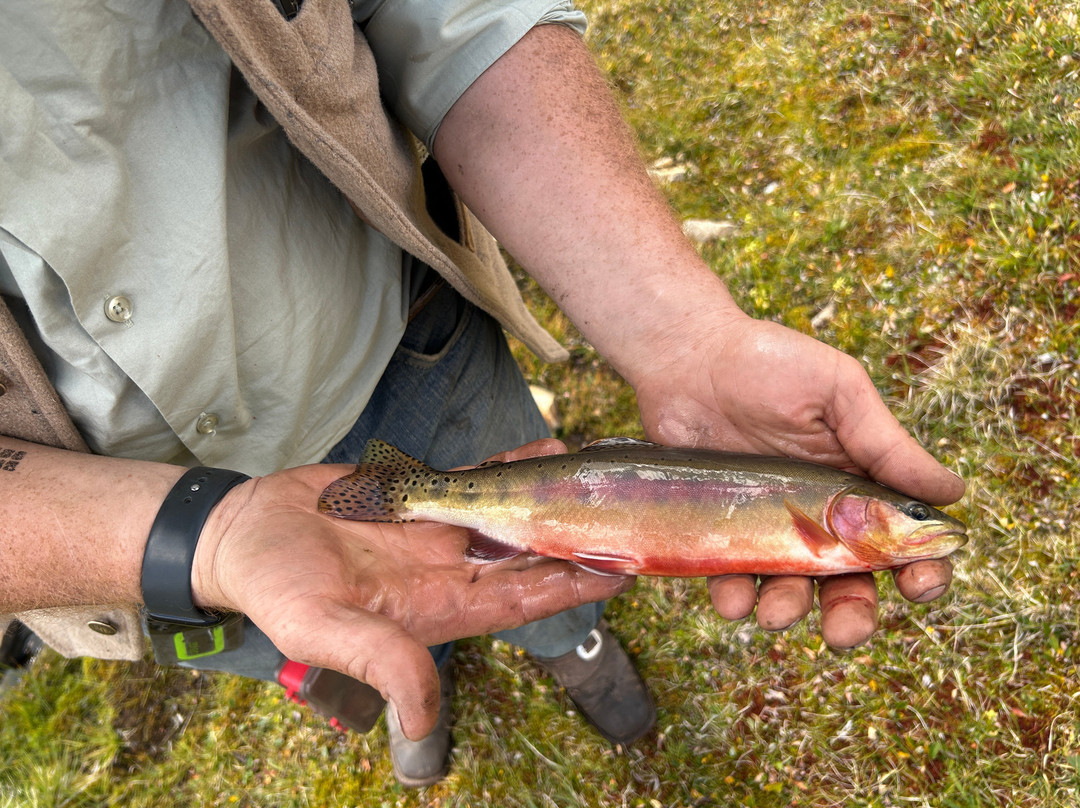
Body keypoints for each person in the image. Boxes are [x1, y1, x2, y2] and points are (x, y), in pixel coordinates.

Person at [0, 0, 964, 789]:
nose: (919, 527)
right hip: (106, 531)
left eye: (905, 520)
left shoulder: (818, 516)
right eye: (907, 518)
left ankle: (565, 637)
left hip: (400, 339)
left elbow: (455, 17)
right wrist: (196, 543)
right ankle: (365, 676)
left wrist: (685, 333)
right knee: (302, 628)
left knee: (549, 582)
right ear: (851, 517)